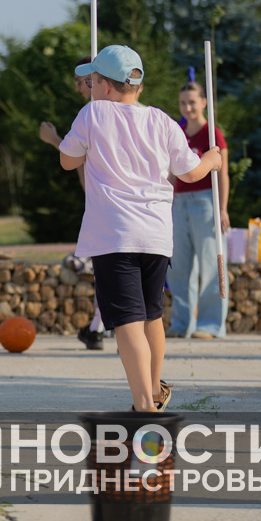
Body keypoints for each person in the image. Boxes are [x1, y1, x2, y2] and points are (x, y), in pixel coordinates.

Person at [59, 45, 222, 412]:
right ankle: (154, 390)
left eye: (93, 80)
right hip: (156, 235)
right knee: (151, 316)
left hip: (115, 235)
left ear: (105, 85)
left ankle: (144, 405)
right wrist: (211, 160)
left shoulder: (93, 113)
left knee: (127, 322)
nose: (91, 86)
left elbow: (67, 160)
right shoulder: (163, 121)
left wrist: (86, 145)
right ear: (139, 86)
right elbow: (189, 172)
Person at [41, 60, 107, 350]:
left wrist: (55, 140)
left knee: (113, 277)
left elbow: (79, 164)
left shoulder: (97, 116)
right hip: (117, 210)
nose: (77, 88)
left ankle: (102, 329)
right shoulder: (96, 114)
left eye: (80, 81)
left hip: (112, 212)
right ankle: (98, 327)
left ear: (95, 81)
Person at [169, 82, 230, 339]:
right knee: (179, 268)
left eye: (192, 102)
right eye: (183, 103)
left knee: (210, 264)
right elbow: (172, 173)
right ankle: (181, 324)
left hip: (206, 202)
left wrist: (222, 208)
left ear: (204, 102)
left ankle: (211, 325)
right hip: (179, 202)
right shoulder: (178, 133)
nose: (188, 107)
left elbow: (223, 174)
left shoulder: (212, 133)